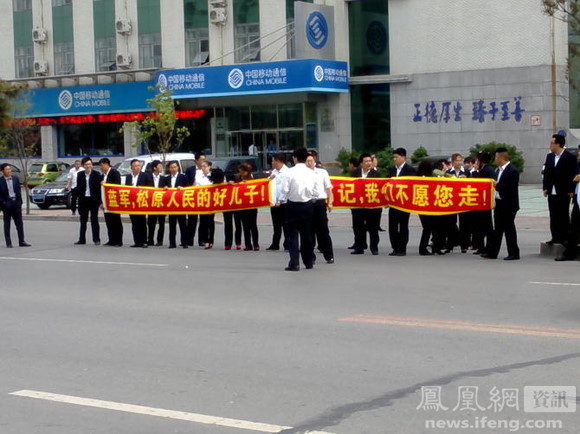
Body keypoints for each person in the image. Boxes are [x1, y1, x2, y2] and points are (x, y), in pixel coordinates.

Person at [281, 148, 317, 271]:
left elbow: (284, 190)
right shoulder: (312, 173)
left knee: (292, 236)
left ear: (295, 158)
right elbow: (316, 191)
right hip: (307, 205)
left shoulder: (289, 172)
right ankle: (308, 262)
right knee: (307, 235)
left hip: (292, 205)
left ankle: (294, 263)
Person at [482, 148, 520, 260]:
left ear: (501, 158)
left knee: (509, 229)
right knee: (497, 229)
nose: (495, 159)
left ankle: (514, 253)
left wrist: (497, 185)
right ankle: (492, 253)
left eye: (496, 157)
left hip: (509, 204)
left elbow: (511, 188)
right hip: (499, 203)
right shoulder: (498, 170)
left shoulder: (512, 170)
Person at [542, 134, 577, 245]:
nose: (550, 145)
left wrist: (571, 190)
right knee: (553, 215)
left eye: (552, 143)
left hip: (563, 191)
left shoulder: (569, 157)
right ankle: (555, 237)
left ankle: (565, 237)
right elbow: (546, 173)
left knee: (563, 214)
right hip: (551, 190)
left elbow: (572, 174)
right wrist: (545, 187)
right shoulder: (550, 156)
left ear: (558, 144)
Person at [350, 153, 381, 255]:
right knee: (358, 227)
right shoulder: (355, 173)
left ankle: (374, 247)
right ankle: (359, 247)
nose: (368, 163)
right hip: (358, 206)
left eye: (370, 161)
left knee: (373, 228)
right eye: (366, 161)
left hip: (372, 206)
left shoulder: (376, 174)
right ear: (361, 163)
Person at [388, 147, 416, 256]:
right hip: (393, 203)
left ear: (403, 157)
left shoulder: (410, 170)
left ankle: (402, 248)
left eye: (396, 157)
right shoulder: (392, 170)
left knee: (403, 226)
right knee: (392, 227)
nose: (394, 159)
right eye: (393, 157)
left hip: (404, 204)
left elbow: (412, 185)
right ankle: (395, 247)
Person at [307, 151, 334, 263]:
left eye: (311, 160)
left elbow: (328, 188)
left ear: (314, 160)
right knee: (308, 231)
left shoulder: (322, 172)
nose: (309, 163)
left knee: (323, 230)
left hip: (319, 203)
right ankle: (310, 256)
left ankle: (329, 255)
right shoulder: (302, 174)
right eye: (307, 161)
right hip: (307, 203)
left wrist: (330, 202)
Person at [0, 163, 30, 248]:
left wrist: (19, 203)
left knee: (19, 224)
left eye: (9, 169)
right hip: (7, 204)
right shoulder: (0, 181)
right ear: (2, 171)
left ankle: (22, 241)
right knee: (7, 224)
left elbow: (18, 191)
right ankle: (8, 242)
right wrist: (4, 203)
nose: (9, 171)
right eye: (7, 169)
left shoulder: (15, 179)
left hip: (16, 203)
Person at [446, 153, 471, 253]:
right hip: (451, 201)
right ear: (452, 162)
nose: (459, 162)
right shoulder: (448, 172)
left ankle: (464, 245)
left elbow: (472, 185)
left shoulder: (467, 172)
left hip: (463, 200)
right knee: (450, 223)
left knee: (464, 223)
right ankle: (450, 245)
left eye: (461, 160)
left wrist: (466, 180)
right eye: (457, 160)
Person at [555, 160, 580, 261]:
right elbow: (573, 178)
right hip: (578, 201)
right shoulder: (578, 164)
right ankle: (569, 253)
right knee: (574, 227)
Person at [125, 159, 153, 247]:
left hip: (141, 202)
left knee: (142, 222)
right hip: (132, 203)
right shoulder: (128, 177)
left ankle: (144, 241)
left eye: (139, 165)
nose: (137, 167)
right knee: (134, 222)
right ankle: (137, 241)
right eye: (135, 166)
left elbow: (151, 187)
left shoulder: (145, 176)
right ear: (131, 167)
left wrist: (142, 188)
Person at [75, 157, 102, 245]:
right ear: (83, 165)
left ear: (92, 165)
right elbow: (79, 188)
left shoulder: (96, 174)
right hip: (84, 200)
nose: (88, 166)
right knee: (83, 220)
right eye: (86, 164)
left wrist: (100, 201)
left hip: (93, 200)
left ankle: (96, 239)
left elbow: (99, 189)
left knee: (94, 220)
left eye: (89, 164)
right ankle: (82, 239)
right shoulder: (80, 175)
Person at [472, 151, 495, 255]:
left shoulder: (486, 170)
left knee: (485, 226)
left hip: (484, 202)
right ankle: (482, 247)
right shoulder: (487, 169)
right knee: (482, 226)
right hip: (484, 202)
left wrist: (475, 172)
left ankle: (486, 248)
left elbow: (478, 184)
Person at [267, 153, 289, 251]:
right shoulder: (274, 172)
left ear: (278, 161)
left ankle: (287, 244)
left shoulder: (287, 172)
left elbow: (285, 189)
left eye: (273, 160)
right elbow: (268, 184)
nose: (272, 163)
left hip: (284, 203)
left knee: (286, 224)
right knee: (276, 225)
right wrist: (269, 179)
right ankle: (275, 244)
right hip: (274, 202)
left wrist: (280, 200)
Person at [164, 160, 189, 249]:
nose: (173, 169)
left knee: (183, 224)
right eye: (171, 167)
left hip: (180, 204)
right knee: (172, 225)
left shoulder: (183, 177)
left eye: (175, 167)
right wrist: (165, 188)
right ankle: (172, 243)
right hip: (171, 205)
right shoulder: (167, 178)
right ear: (169, 169)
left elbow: (188, 188)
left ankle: (184, 242)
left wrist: (182, 188)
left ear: (178, 167)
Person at [99, 158, 123, 247]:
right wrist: (101, 202)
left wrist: (106, 183)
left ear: (106, 164)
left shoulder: (114, 173)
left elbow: (117, 185)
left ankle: (118, 241)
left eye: (102, 165)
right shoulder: (103, 175)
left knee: (116, 221)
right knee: (109, 222)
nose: (101, 168)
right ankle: (111, 240)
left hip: (114, 201)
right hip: (105, 203)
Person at [236, 162, 259, 251]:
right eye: (240, 171)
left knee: (253, 225)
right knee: (245, 226)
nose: (241, 173)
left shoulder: (252, 179)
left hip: (252, 206)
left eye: (242, 171)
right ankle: (248, 244)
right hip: (242, 206)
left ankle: (256, 244)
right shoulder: (238, 179)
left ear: (247, 172)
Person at [185, 152, 206, 246]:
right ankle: (189, 240)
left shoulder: (207, 169)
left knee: (203, 219)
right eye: (202, 160)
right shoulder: (190, 170)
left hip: (204, 196)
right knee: (192, 219)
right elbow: (186, 183)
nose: (203, 161)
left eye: (204, 159)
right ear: (196, 160)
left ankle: (202, 240)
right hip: (193, 197)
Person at [147, 160, 166, 246]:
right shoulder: (148, 177)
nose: (161, 168)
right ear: (154, 168)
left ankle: (160, 240)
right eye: (160, 166)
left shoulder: (163, 178)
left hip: (161, 204)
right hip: (151, 204)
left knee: (161, 223)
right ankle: (150, 240)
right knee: (151, 223)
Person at [197, 160, 215, 249]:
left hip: (211, 202)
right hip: (202, 202)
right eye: (202, 167)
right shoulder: (199, 177)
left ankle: (210, 240)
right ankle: (204, 240)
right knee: (203, 221)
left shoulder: (214, 177)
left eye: (205, 166)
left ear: (209, 167)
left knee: (210, 221)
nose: (203, 168)